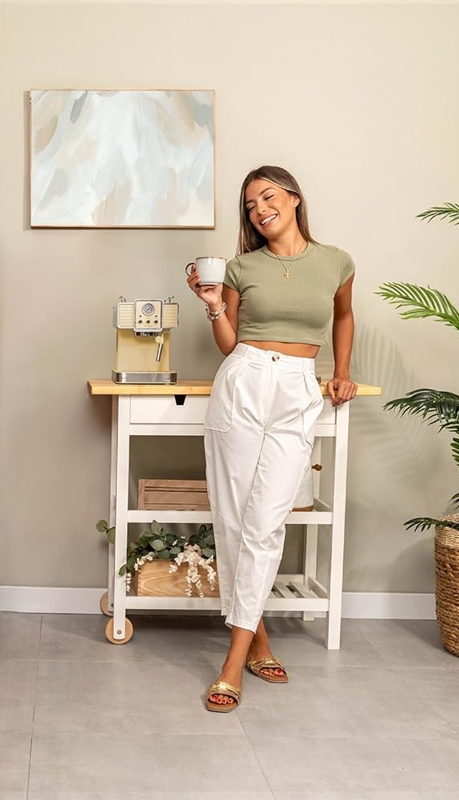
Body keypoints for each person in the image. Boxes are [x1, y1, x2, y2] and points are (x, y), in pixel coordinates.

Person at [186, 165, 357, 713]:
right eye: (250, 205)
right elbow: (228, 342)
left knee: (265, 523)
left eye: (267, 197)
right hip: (243, 377)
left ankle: (239, 654)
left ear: (294, 197)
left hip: (298, 387)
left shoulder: (336, 261)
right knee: (234, 521)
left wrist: (342, 371)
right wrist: (213, 302)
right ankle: (245, 652)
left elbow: (344, 316)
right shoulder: (241, 267)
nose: (259, 210)